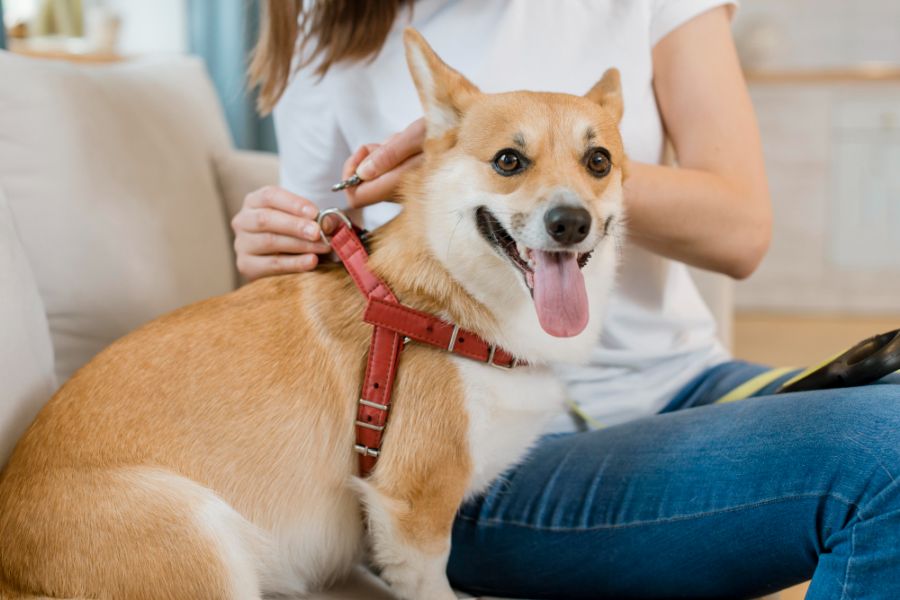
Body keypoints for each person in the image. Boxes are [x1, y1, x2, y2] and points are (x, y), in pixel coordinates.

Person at [232, 1, 900, 597]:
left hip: (684, 386)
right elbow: (327, 261)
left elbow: (742, 231)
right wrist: (277, 247)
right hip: (482, 447)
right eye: (510, 161)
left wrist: (561, 177)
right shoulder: (331, 19)